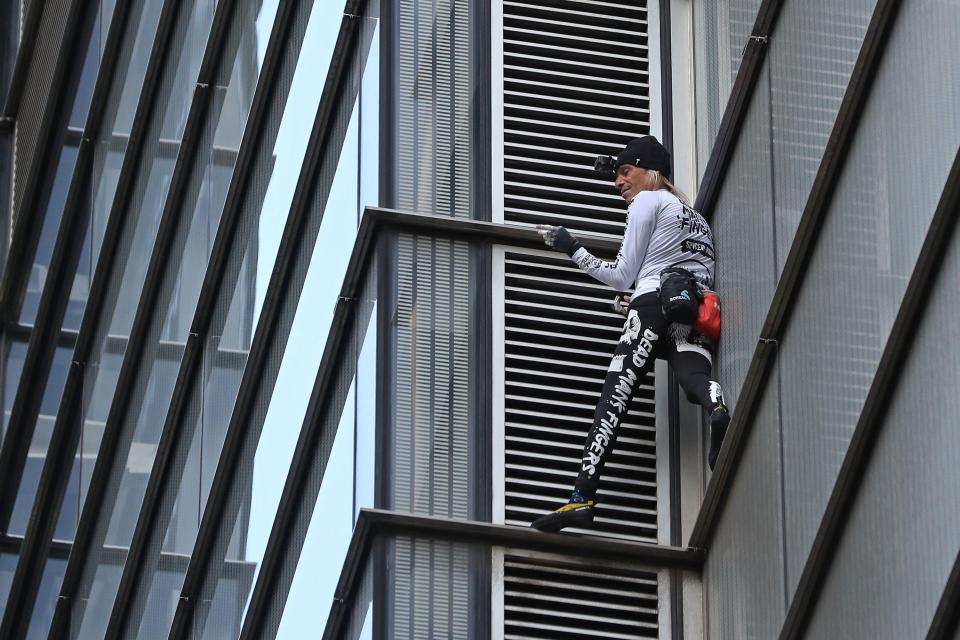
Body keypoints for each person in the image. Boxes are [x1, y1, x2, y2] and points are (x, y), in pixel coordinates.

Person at [530, 135, 729, 533]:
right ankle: (716, 404)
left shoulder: (647, 202)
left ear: (649, 172)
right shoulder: (696, 218)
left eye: (625, 172)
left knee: (613, 397)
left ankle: (581, 497)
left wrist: (573, 248)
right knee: (694, 380)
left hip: (654, 303)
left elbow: (622, 274)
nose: (618, 183)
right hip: (696, 307)